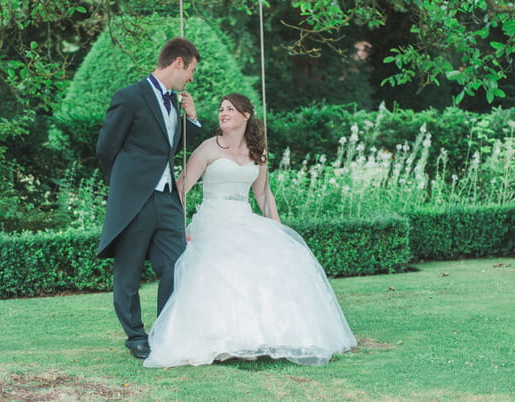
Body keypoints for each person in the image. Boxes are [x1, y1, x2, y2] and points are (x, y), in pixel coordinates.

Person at [144, 93, 357, 368]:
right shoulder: (208, 148)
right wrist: (180, 227)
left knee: (272, 263)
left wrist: (278, 229)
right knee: (221, 269)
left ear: (246, 116)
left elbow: (264, 194)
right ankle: (219, 338)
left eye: (230, 109)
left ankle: (262, 336)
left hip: (244, 218)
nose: (223, 113)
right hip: (212, 220)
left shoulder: (258, 152)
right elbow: (181, 188)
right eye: (221, 109)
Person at [96, 37, 202, 360]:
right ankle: (136, 336)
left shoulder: (177, 102)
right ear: (178, 63)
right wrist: (123, 189)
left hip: (167, 200)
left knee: (178, 264)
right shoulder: (129, 97)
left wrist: (192, 118)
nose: (191, 79)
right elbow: (105, 148)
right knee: (127, 274)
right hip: (135, 201)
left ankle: (164, 330)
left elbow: (179, 148)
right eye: (192, 70)